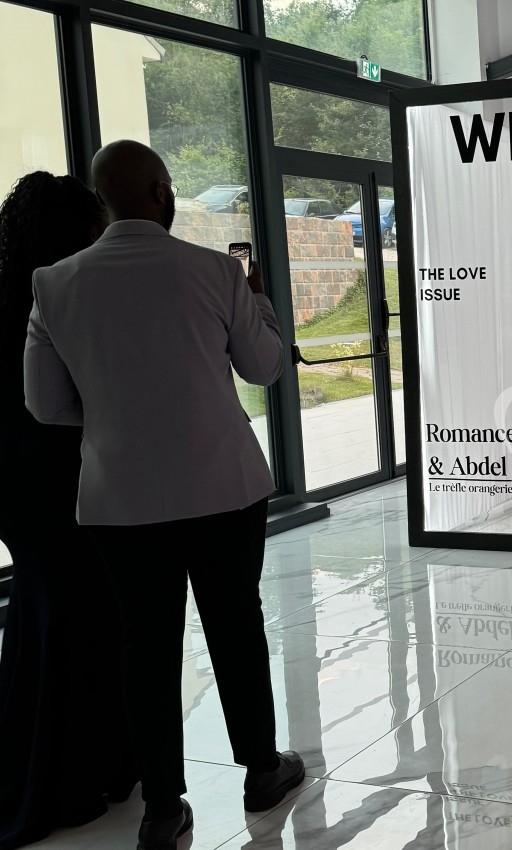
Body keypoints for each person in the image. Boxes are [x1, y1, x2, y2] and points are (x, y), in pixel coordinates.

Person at [23, 140, 304, 850]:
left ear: (103, 200)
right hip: (221, 488)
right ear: (160, 192)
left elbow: (46, 406)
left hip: (121, 499)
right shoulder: (214, 270)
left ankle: (162, 808)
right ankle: (262, 771)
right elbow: (264, 366)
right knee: (235, 627)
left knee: (144, 645)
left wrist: (121, 419)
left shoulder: (53, 284)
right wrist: (262, 305)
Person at [0, 173, 136, 848]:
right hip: (66, 472)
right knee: (89, 613)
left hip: (14, 482)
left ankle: (43, 763)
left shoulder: (10, 293)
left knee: (41, 611)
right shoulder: (65, 296)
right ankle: (86, 770)